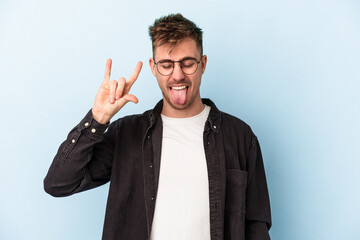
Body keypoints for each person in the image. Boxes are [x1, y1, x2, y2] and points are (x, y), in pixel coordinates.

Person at [44, 13, 271, 240]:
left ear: (202, 64)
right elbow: (58, 183)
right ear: (153, 67)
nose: (177, 75)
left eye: (188, 63)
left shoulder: (240, 137)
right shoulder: (126, 134)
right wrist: (97, 119)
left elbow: (256, 226)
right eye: (166, 65)